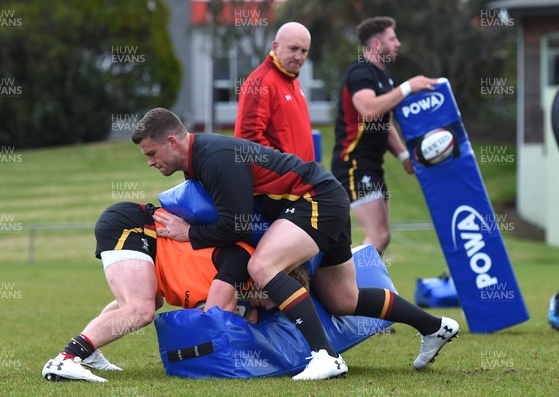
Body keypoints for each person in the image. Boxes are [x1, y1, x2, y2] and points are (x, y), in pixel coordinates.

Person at [132, 107, 459, 380]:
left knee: (262, 266)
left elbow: (236, 224)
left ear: (172, 141)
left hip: (314, 199)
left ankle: (326, 357)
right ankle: (434, 326)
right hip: (324, 197)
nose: (149, 161)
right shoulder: (199, 161)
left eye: (151, 153)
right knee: (343, 298)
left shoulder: (213, 157)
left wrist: (188, 233)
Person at [42, 202, 259, 382]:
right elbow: (213, 320)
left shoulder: (246, 287)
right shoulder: (242, 261)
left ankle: (88, 352)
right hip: (134, 227)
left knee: (148, 303)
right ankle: (66, 358)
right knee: (141, 310)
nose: (273, 307)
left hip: (149, 242)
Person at [331, 16, 440, 254]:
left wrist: (404, 157)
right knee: (378, 236)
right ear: (377, 44)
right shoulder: (360, 72)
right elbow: (369, 110)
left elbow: (385, 122)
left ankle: (363, 289)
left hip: (372, 165)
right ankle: (346, 288)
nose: (398, 43)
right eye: (392, 39)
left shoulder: (385, 76)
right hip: (353, 165)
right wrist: (408, 87)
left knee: (383, 238)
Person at [234, 22, 315, 162]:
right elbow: (248, 140)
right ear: (275, 47)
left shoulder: (291, 78)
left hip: (302, 179)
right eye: (293, 48)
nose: (298, 56)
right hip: (285, 181)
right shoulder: (260, 82)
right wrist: (286, 170)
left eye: (304, 51)